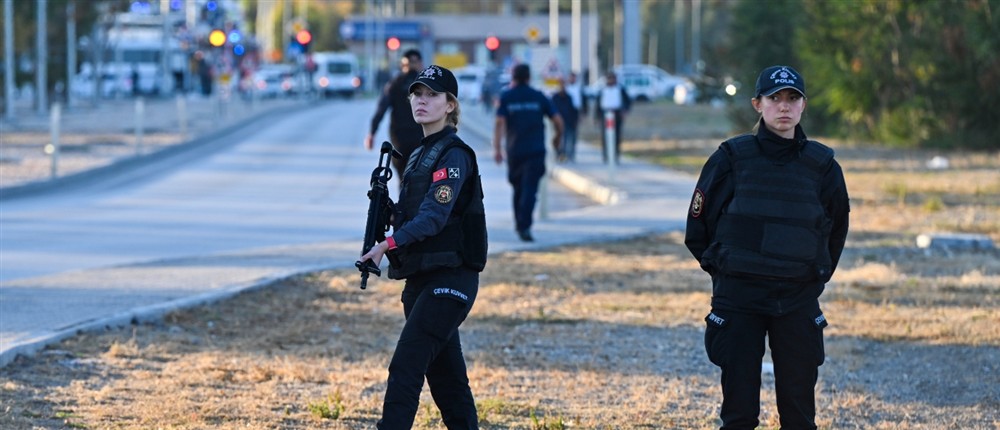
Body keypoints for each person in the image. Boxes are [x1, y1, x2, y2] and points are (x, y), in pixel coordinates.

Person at [684, 65, 850, 430]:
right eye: (775, 98)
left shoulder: (822, 167)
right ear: (757, 104)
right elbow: (698, 226)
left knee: (799, 414)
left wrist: (812, 275)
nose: (784, 106)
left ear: (804, 106)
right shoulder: (730, 158)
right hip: (740, 298)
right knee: (739, 413)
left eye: (793, 98)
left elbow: (835, 231)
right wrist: (727, 271)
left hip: (796, 300)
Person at [359, 64, 488, 430]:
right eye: (418, 94)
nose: (422, 101)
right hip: (420, 281)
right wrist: (387, 213)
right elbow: (413, 215)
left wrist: (387, 244)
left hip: (450, 279)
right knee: (448, 384)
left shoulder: (454, 154)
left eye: (433, 95)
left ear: (450, 105)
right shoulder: (417, 154)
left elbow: (434, 217)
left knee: (407, 365)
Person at [492, 63, 564, 242]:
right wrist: (557, 138)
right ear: (529, 77)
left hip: (515, 151)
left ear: (513, 78)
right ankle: (524, 225)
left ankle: (520, 223)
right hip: (536, 151)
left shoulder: (507, 96)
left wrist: (497, 149)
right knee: (530, 190)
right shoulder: (539, 96)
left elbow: (499, 123)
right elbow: (558, 120)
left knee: (518, 188)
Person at [365, 49, 425, 179]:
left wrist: (372, 133)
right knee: (421, 177)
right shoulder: (426, 86)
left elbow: (381, 109)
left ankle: (405, 197)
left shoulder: (394, 84)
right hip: (422, 137)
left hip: (399, 139)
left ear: (403, 65)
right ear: (421, 64)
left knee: (403, 177)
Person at [594, 71, 631, 164]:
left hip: (617, 114)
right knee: (605, 136)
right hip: (605, 114)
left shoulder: (620, 89)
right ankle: (606, 155)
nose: (611, 80)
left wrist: (625, 111)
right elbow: (597, 105)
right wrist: (596, 118)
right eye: (609, 78)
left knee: (617, 136)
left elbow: (628, 102)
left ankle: (616, 155)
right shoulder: (602, 90)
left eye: (613, 78)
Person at [550, 74, 583, 163]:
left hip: (569, 122)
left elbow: (574, 110)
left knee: (569, 139)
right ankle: (558, 155)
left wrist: (576, 119)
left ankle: (568, 156)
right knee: (559, 140)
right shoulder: (555, 98)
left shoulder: (569, 97)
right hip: (558, 123)